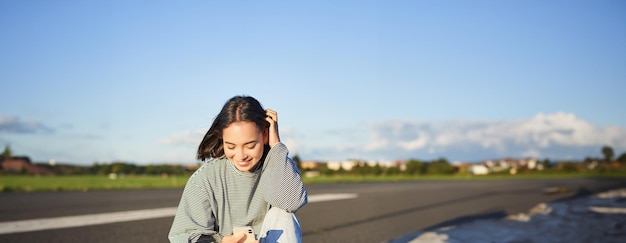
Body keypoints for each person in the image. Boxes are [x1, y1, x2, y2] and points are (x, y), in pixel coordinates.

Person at [168, 95, 308, 243]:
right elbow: (184, 236)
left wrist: (276, 147)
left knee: (283, 214)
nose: (241, 156)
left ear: (265, 135)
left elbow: (292, 203)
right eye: (231, 146)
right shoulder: (204, 179)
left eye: (250, 145)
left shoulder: (279, 166)